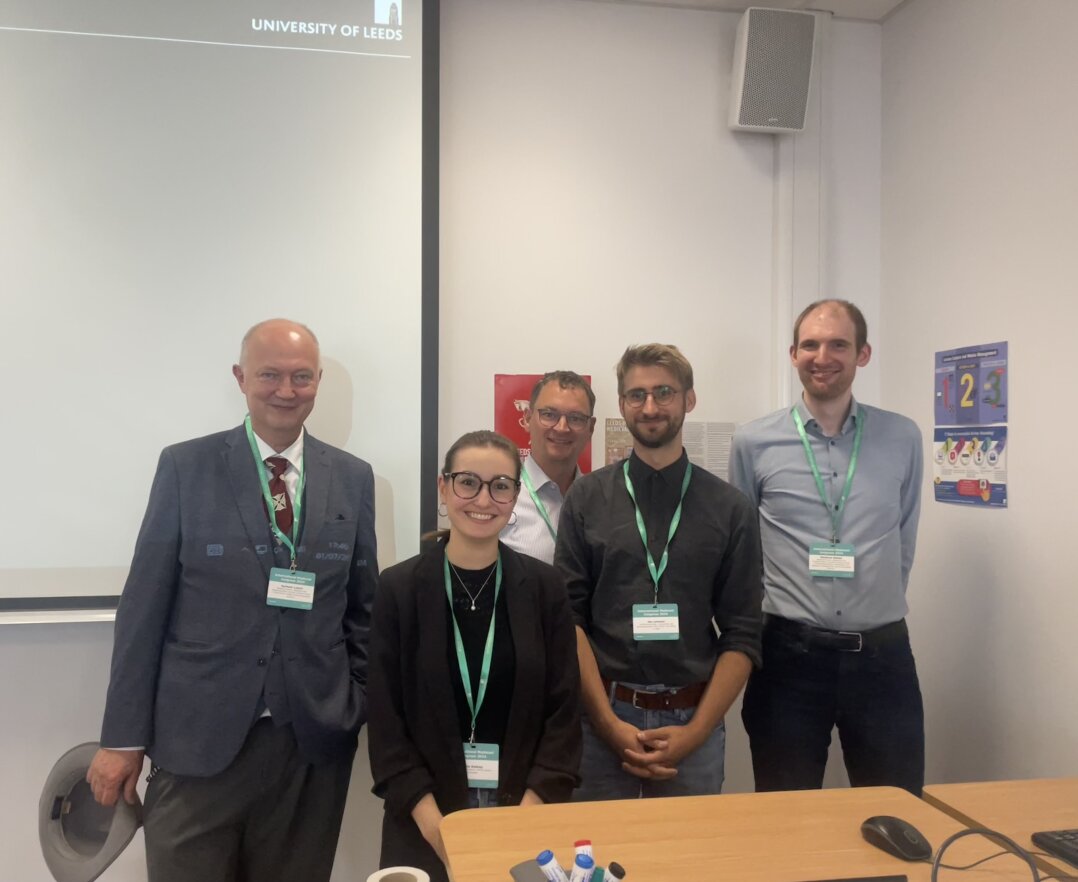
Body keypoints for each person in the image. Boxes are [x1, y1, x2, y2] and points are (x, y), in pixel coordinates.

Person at [86, 319, 378, 882]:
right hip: (197, 741)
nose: (286, 391)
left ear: (318, 382)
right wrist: (122, 738)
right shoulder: (184, 467)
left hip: (310, 743)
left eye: (300, 377)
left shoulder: (353, 478)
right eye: (270, 374)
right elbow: (143, 610)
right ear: (241, 378)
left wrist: (352, 702)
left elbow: (363, 609)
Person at [729, 299, 925, 795]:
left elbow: (903, 537)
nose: (823, 356)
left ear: (863, 354)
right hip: (788, 659)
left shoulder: (903, 436)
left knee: (895, 811)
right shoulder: (754, 442)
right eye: (811, 344)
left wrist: (871, 604)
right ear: (793, 353)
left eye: (839, 343)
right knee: (786, 817)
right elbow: (745, 549)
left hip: (882, 657)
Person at [368, 430, 581, 881]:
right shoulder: (398, 588)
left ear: (515, 496)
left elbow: (563, 714)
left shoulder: (545, 589)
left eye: (500, 485)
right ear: (444, 488)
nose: (483, 498)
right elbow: (387, 724)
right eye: (468, 482)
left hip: (525, 820)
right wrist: (438, 830)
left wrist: (523, 820)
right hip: (423, 822)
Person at [556, 344, 762, 800]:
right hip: (601, 720)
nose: (650, 407)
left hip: (695, 723)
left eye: (663, 392)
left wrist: (695, 733)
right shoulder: (586, 499)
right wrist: (609, 725)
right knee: (597, 864)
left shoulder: (730, 509)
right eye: (636, 395)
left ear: (689, 399)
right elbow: (569, 620)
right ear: (623, 404)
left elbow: (743, 633)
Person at [501, 370, 596, 564]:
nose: (562, 427)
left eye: (576, 418)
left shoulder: (601, 500)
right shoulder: (499, 498)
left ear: (591, 428)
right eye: (549, 415)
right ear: (527, 418)